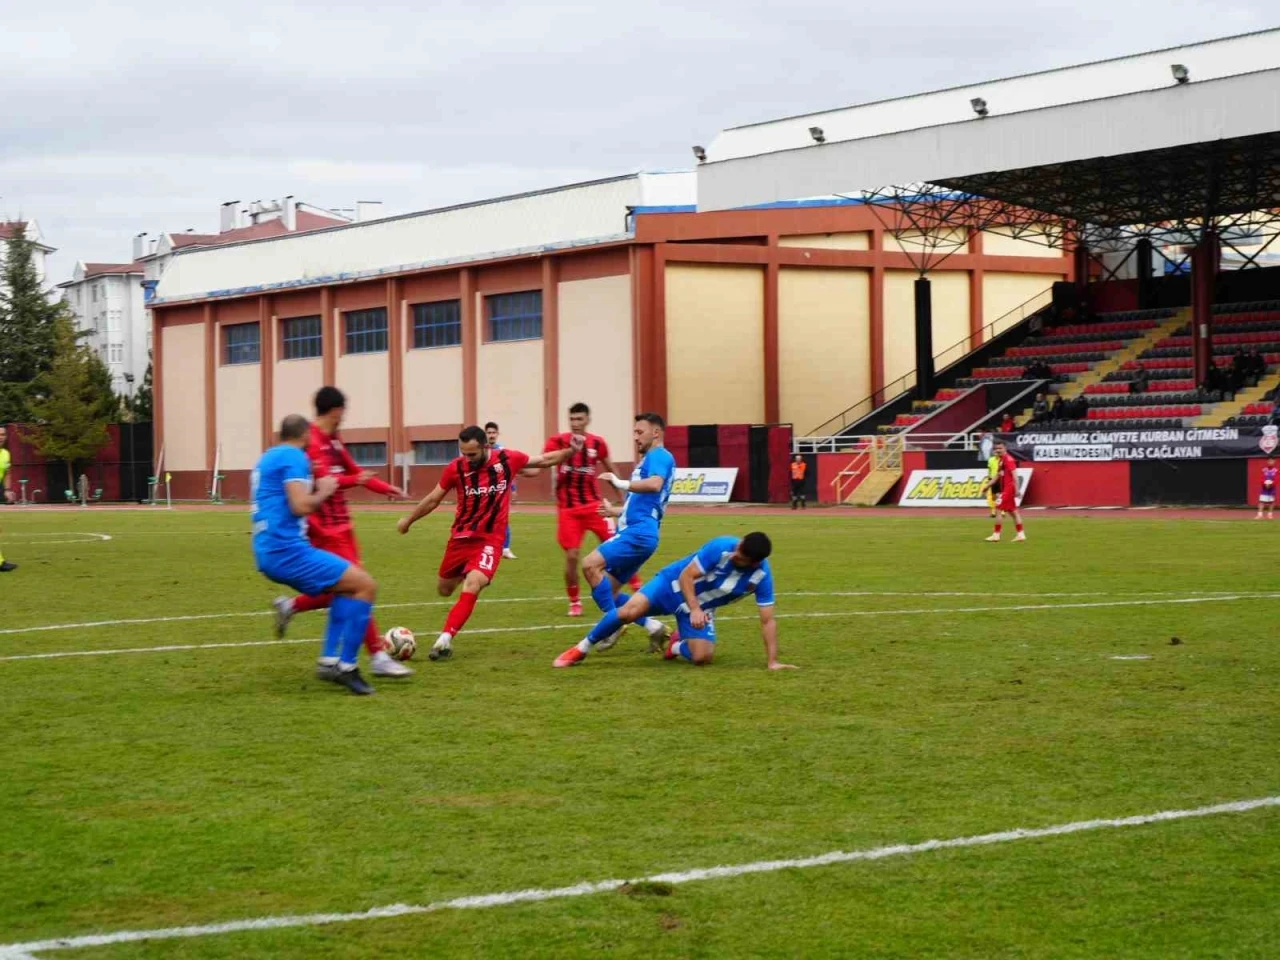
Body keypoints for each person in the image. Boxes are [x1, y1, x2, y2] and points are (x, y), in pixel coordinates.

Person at [396, 424, 582, 661]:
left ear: (486, 446)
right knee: (444, 590)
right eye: (464, 453)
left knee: (473, 583)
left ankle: (444, 640)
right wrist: (409, 520)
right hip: (460, 538)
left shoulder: (507, 459)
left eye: (472, 454)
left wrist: (570, 451)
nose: (467, 459)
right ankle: (472, 571)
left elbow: (544, 460)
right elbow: (434, 499)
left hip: (490, 540)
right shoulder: (456, 468)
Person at [271, 386, 412, 678]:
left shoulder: (334, 439)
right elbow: (327, 481)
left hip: (343, 525)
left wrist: (387, 488)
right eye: (343, 411)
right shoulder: (310, 440)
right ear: (336, 410)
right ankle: (377, 656)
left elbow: (354, 472)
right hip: (324, 528)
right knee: (360, 585)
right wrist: (354, 479)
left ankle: (292, 608)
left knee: (344, 589)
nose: (344, 417)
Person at [252, 414, 380, 695]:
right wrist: (324, 490)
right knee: (366, 586)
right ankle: (347, 667)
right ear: (305, 435)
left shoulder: (267, 457)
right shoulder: (294, 456)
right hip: (286, 550)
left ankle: (329, 661)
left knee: (345, 587)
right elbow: (300, 505)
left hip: (269, 549)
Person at [554, 532, 796, 670]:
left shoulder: (761, 577)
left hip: (701, 608)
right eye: (738, 547)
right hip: (670, 585)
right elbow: (686, 576)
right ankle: (580, 649)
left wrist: (772, 661)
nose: (735, 554)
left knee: (702, 658)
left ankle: (676, 646)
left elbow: (768, 620)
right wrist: (694, 608)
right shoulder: (722, 547)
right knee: (628, 612)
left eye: (740, 556)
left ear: (754, 563)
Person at [581, 413, 676, 624]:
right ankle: (653, 626)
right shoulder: (650, 459)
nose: (635, 437)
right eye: (635, 432)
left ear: (656, 433)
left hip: (638, 532)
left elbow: (655, 484)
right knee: (608, 592)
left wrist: (619, 482)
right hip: (641, 531)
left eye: (640, 432)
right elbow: (642, 505)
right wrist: (614, 512)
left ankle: (611, 624)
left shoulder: (659, 455)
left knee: (589, 565)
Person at [543, 402, 628, 617]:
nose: (575, 423)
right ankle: (574, 601)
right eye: (572, 419)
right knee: (572, 556)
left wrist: (623, 498)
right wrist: (523, 469)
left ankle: (635, 586)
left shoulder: (597, 443)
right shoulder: (558, 441)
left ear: (587, 420)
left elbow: (611, 468)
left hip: (594, 506)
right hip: (568, 509)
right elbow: (543, 461)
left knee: (617, 546)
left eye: (579, 419)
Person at [484, 422, 518, 560]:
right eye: (489, 433)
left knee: (503, 520)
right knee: (483, 520)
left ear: (497, 434)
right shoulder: (481, 451)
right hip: (484, 492)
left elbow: (510, 471)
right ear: (485, 434)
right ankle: (485, 547)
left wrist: (513, 488)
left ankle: (505, 549)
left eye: (493, 433)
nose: (491, 435)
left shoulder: (502, 452)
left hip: (500, 492)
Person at [982, 439, 1025, 542]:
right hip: (1006, 489)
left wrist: (1017, 490)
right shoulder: (1001, 460)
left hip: (1008, 489)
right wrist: (987, 486)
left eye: (1000, 448)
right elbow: (997, 476)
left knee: (998, 509)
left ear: (1005, 448)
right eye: (996, 448)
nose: (998, 450)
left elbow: (1015, 476)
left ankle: (996, 535)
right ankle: (1021, 535)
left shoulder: (1009, 460)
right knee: (1014, 512)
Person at [0, 425, 15, 573]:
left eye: (3, 434)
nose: (1, 437)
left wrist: (7, 490)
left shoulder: (5, 454)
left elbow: (7, 473)